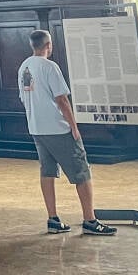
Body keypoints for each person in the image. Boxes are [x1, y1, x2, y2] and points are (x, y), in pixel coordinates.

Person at [17, 30, 116, 236]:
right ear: (49, 45)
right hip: (57, 128)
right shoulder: (49, 67)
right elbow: (62, 99)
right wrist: (73, 126)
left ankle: (53, 218)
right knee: (82, 171)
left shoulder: (24, 66)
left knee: (47, 172)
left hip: (36, 127)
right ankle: (90, 219)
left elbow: (24, 97)